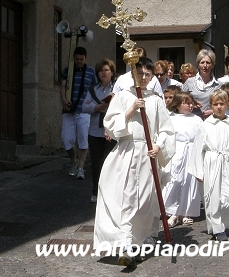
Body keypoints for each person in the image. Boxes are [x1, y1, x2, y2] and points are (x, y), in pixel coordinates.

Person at [93, 57, 175, 267]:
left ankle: (141, 242)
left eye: (148, 74)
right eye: (141, 74)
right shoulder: (122, 96)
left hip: (148, 154)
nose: (145, 78)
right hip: (127, 152)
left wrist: (158, 146)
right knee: (127, 199)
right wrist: (130, 110)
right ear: (133, 74)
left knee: (146, 201)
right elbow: (110, 124)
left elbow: (166, 130)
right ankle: (126, 245)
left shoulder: (156, 100)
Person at [189, 90, 229, 242]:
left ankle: (224, 223)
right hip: (211, 162)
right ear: (211, 106)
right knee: (213, 197)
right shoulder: (205, 125)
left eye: (221, 104)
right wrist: (198, 171)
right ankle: (217, 228)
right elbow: (198, 149)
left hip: (228, 161)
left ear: (227, 105)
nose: (219, 107)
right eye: (215, 104)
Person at [163, 91, 202, 227]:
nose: (190, 106)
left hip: (192, 151)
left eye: (191, 103)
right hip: (177, 151)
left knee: (189, 182)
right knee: (176, 180)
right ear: (178, 105)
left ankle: (187, 212)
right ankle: (173, 211)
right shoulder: (171, 118)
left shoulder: (196, 119)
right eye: (186, 103)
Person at [82, 59, 116, 203]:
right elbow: (85, 107)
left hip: (112, 131)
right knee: (96, 164)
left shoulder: (116, 89)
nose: (104, 72)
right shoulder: (92, 89)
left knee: (111, 163)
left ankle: (110, 193)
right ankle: (96, 191)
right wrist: (100, 107)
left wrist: (96, 106)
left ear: (112, 73)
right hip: (95, 130)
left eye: (106, 70)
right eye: (101, 70)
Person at [60, 46, 97, 178]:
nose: (79, 61)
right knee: (67, 139)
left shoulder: (91, 72)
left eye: (81, 59)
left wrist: (93, 106)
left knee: (82, 138)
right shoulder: (67, 70)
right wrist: (64, 100)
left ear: (85, 58)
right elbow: (63, 86)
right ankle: (74, 161)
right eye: (77, 59)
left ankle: (81, 168)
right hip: (68, 110)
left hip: (84, 110)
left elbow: (94, 89)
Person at [181, 50, 221, 118]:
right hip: (192, 121)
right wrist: (192, 103)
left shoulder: (218, 85)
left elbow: (224, 105)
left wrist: (213, 111)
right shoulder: (189, 82)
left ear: (212, 66)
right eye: (202, 62)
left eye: (208, 63)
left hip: (211, 122)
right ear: (198, 65)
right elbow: (179, 100)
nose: (205, 65)